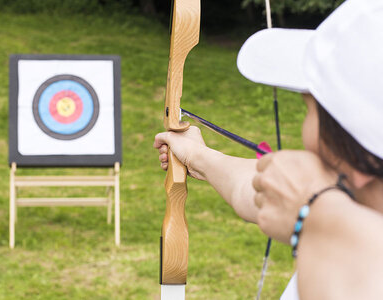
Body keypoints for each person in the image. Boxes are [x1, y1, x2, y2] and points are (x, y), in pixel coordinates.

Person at [153, 0, 383, 298]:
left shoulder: (342, 239)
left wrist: (314, 214)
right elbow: (261, 190)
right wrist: (198, 157)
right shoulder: (347, 200)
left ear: (353, 149)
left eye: (309, 108)